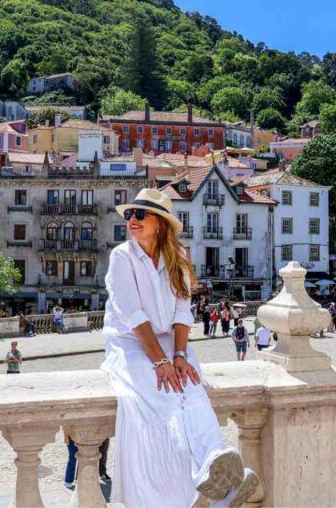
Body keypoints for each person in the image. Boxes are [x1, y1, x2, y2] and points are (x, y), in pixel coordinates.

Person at [102, 189, 257, 506]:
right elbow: (132, 314)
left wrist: (181, 355)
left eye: (140, 215)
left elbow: (182, 311)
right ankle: (196, 487)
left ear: (160, 223)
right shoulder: (122, 257)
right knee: (162, 397)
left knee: (193, 390)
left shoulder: (179, 258)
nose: (132, 220)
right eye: (130, 214)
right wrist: (161, 362)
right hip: (130, 340)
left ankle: (216, 461)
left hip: (170, 340)